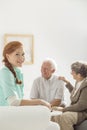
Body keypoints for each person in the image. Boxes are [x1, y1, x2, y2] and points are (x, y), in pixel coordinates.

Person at [0, 41, 51, 109]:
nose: (21, 58)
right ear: (8, 56)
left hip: (14, 113)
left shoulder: (18, 72)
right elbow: (13, 102)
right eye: (17, 54)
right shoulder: (5, 72)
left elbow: (19, 100)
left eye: (23, 54)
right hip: (5, 115)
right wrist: (40, 101)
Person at [51, 61, 87, 130]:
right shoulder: (79, 81)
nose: (71, 73)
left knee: (65, 117)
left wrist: (64, 109)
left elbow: (81, 105)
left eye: (72, 72)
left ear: (79, 75)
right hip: (76, 110)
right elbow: (76, 94)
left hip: (82, 112)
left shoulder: (85, 85)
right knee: (55, 117)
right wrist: (66, 82)